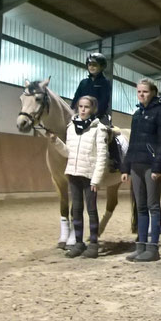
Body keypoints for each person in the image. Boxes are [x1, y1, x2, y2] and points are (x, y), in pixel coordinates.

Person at [49, 96, 108, 259]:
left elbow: (102, 156)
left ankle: (94, 244)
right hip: (73, 174)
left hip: (89, 175)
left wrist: (96, 179)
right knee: (76, 209)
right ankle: (79, 243)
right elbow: (68, 153)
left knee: (91, 209)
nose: (82, 110)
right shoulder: (70, 128)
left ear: (93, 109)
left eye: (86, 107)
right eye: (80, 106)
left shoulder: (99, 129)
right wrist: (56, 142)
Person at [121, 79, 161, 262]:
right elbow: (132, 142)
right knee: (140, 207)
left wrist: (158, 166)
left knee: (153, 206)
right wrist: (126, 166)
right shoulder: (136, 114)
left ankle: (153, 248)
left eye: (145, 91)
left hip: (151, 166)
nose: (141, 94)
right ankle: (140, 246)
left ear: (153, 92)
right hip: (135, 164)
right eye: (139, 92)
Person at [71, 53, 112, 125]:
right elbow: (76, 98)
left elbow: (104, 101)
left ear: (101, 66)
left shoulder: (105, 82)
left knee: (103, 132)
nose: (91, 67)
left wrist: (93, 114)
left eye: (95, 65)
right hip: (82, 114)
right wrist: (73, 110)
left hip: (99, 116)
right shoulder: (83, 82)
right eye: (90, 65)